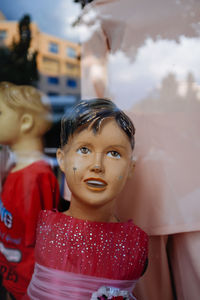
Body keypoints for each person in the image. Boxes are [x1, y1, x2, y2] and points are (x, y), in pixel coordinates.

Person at [25, 98, 148, 300]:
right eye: (84, 150)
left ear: (130, 169)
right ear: (62, 159)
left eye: (114, 153)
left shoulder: (136, 245)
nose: (97, 165)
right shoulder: (45, 228)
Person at [0, 82, 60, 300]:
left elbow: (40, 244)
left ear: (25, 122)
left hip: (28, 289)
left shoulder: (36, 177)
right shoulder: (16, 171)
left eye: (0, 113)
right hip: (12, 280)